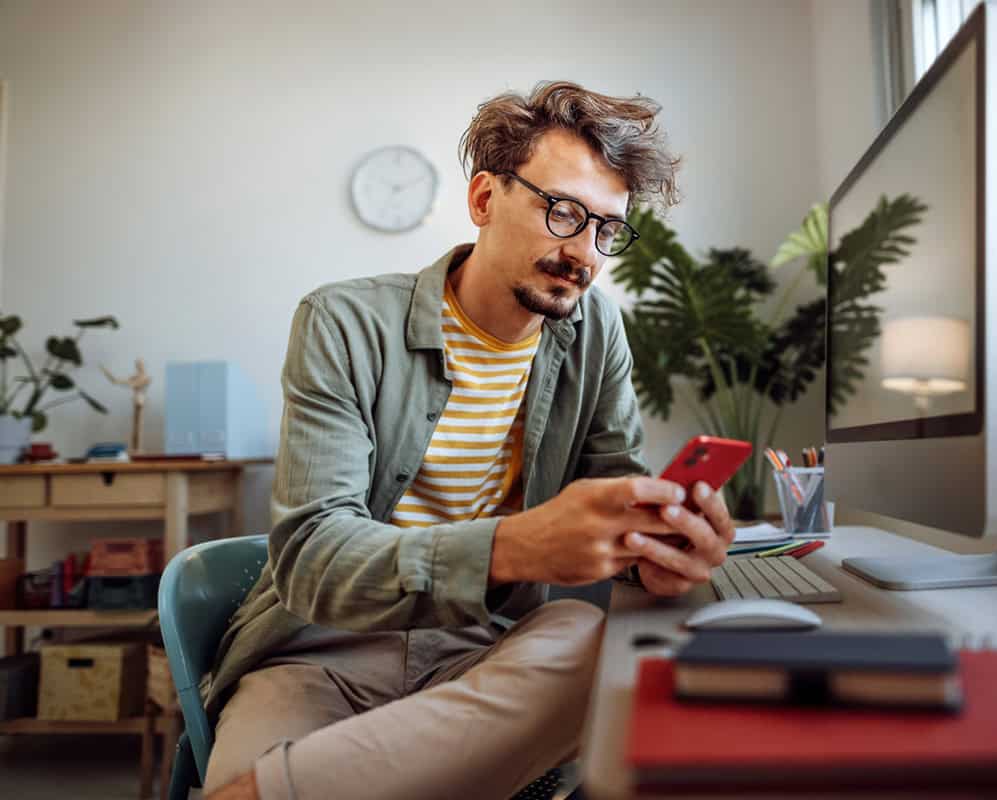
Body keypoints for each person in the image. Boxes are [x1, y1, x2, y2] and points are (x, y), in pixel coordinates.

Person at [205, 81, 735, 800]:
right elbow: (312, 559)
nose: (583, 251)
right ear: (485, 199)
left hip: (486, 651)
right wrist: (515, 547)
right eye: (563, 212)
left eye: (606, 230)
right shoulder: (343, 321)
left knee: (589, 635)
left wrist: (659, 552)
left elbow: (618, 493)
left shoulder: (596, 332)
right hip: (317, 652)